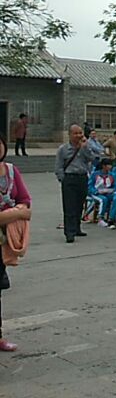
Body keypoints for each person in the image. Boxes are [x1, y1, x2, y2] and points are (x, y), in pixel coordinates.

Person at [0, 134, 32, 352]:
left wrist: (16, 211)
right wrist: (16, 213)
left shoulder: (11, 171)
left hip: (3, 241)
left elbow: (25, 201)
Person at [55, 124, 96, 243]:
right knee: (69, 206)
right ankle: (69, 232)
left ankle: (77, 228)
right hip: (69, 178)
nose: (79, 135)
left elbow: (92, 158)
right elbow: (58, 166)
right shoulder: (63, 149)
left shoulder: (85, 146)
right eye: (76, 133)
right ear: (70, 135)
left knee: (79, 205)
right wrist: (62, 179)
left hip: (82, 178)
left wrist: (85, 147)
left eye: (80, 133)